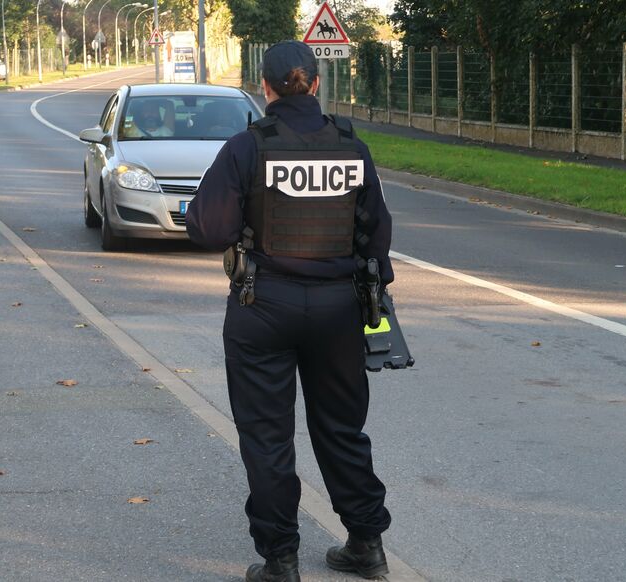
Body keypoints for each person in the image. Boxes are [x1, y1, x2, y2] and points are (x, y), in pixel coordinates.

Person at [185, 40, 394, 582]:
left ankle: (281, 560)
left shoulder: (246, 148)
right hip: (340, 308)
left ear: (265, 86)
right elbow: (377, 232)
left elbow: (209, 228)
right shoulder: (352, 147)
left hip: (264, 305)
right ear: (317, 84)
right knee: (343, 429)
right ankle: (367, 544)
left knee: (267, 436)